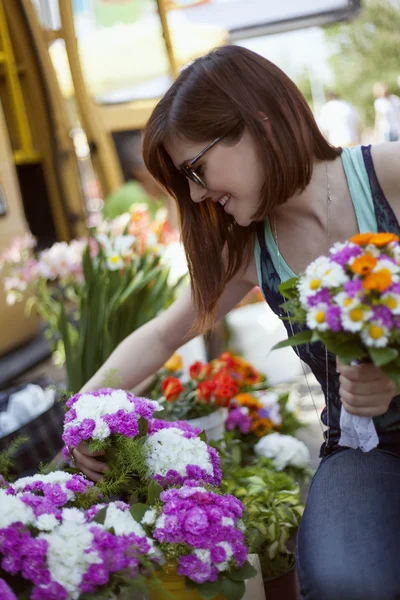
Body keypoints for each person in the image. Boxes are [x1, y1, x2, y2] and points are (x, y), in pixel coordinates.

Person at [72, 46, 400, 599]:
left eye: (196, 170)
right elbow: (162, 334)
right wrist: (83, 413)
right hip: (369, 450)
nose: (197, 193)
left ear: (258, 124)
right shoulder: (251, 249)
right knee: (349, 583)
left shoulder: (389, 174)